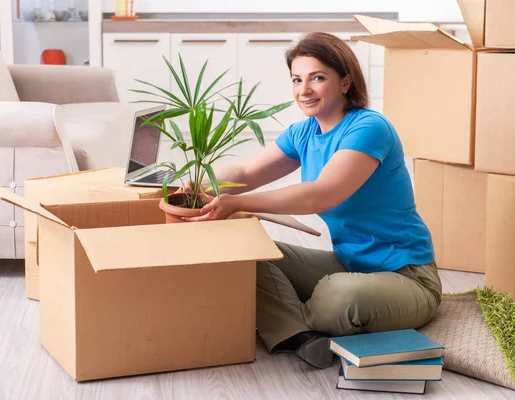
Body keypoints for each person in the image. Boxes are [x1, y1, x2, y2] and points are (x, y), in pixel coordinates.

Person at [181, 32, 442, 369]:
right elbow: (246, 172)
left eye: (317, 78)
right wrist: (195, 180)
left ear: (345, 81)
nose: (304, 90)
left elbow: (322, 192)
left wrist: (240, 205)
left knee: (338, 295)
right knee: (246, 253)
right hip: (349, 262)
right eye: (297, 79)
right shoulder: (304, 132)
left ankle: (286, 317)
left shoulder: (369, 128)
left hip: (407, 276)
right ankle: (300, 336)